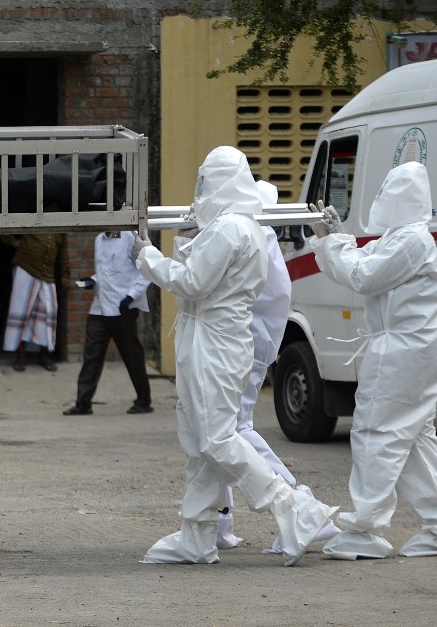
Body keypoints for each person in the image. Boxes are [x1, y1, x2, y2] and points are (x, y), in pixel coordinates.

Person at [131, 146, 337, 566]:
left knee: (218, 437)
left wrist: (148, 258)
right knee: (200, 439)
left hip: (216, 342)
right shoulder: (233, 227)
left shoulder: (231, 229)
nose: (199, 190)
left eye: (205, 181)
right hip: (209, 338)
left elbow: (190, 282)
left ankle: (295, 509)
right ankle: (198, 533)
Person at [310, 161, 437, 560]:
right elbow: (360, 262)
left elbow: (365, 276)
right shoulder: (402, 237)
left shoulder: (413, 240)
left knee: (375, 433)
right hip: (407, 348)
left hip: (403, 349)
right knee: (412, 437)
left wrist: (334, 242)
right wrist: (334, 238)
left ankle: (366, 528)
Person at [215, 181, 339, 550]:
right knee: (218, 434)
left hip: (240, 347)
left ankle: (302, 507)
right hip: (248, 346)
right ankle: (217, 522)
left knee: (231, 432)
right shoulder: (260, 236)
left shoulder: (251, 237)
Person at [63, 230, 153, 416]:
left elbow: (146, 271)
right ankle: (83, 403)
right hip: (100, 306)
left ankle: (143, 401)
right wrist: (91, 280)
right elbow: (105, 272)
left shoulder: (132, 238)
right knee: (92, 355)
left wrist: (130, 297)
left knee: (132, 355)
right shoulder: (99, 240)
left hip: (123, 307)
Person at [2, 233, 70, 372]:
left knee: (48, 312)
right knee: (20, 311)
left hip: (47, 273)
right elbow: (5, 222)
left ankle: (44, 356)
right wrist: (12, 241)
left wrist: (65, 274)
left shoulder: (61, 224)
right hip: (25, 267)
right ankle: (20, 357)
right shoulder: (31, 212)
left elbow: (63, 252)